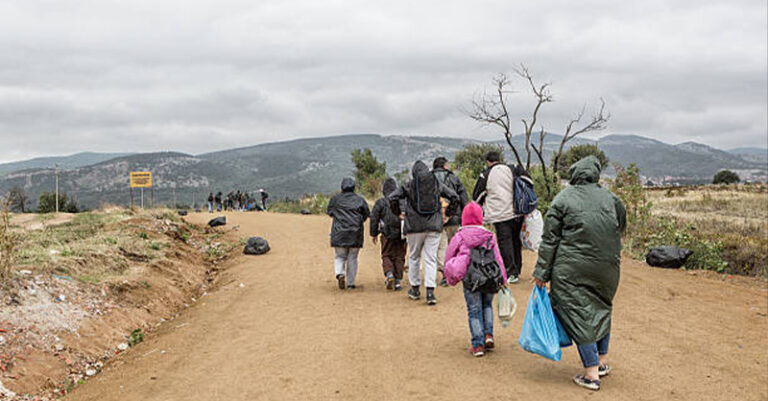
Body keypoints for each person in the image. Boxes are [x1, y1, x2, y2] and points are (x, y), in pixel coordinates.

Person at [531, 156, 626, 391]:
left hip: (571, 269)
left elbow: (550, 240)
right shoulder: (611, 198)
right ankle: (602, 362)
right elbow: (620, 227)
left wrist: (542, 272)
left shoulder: (563, 199)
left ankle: (591, 373)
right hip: (607, 267)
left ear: (574, 174)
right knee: (602, 307)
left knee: (577, 312)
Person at [388, 161, 459, 305]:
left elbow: (392, 197)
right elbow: (454, 197)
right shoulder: (436, 184)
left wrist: (399, 213)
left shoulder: (409, 185)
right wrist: (448, 214)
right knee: (431, 258)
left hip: (414, 227)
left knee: (414, 257)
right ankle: (430, 292)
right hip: (434, 226)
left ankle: (415, 290)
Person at [444, 202, 507, 357]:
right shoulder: (489, 236)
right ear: (480, 218)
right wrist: (503, 279)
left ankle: (478, 344)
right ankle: (488, 336)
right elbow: (498, 258)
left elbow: (449, 254)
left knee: (474, 310)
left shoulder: (460, 236)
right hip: (489, 277)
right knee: (487, 305)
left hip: (471, 278)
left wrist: (450, 274)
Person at [472, 151, 523, 284]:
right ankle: (518, 268)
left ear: (488, 162)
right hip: (517, 211)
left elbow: (477, 196)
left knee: (505, 242)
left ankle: (511, 272)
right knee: (515, 240)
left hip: (500, 214)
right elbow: (528, 181)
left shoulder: (486, 174)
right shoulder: (512, 168)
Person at [327, 178, 370, 290]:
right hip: (355, 233)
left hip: (339, 232)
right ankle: (350, 283)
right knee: (353, 257)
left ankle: (340, 273)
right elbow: (366, 214)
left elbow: (330, 212)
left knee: (339, 256)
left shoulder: (335, 199)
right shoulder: (360, 200)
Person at [432, 157, 468, 287]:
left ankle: (443, 273)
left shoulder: (430, 179)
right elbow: (463, 197)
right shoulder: (454, 178)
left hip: (435, 219)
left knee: (439, 247)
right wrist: (463, 216)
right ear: (445, 166)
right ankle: (454, 273)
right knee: (454, 247)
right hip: (453, 218)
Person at [370, 177, 407, 291]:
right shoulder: (403, 201)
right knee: (400, 256)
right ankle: (397, 282)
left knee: (387, 254)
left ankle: (389, 274)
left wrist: (374, 233)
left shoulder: (381, 202)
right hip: (401, 233)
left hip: (387, 233)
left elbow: (374, 218)